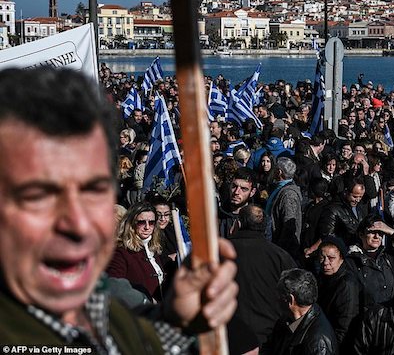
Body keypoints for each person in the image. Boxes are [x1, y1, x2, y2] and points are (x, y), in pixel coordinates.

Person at [0, 67, 237, 350]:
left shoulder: (102, 309)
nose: (78, 222)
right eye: (39, 195)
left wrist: (180, 320)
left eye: (94, 190)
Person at [230, 204, 296, 350]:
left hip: (230, 335)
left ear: (238, 223)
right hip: (267, 337)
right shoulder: (280, 256)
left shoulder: (221, 252)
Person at [347, 215, 394, 304]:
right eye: (372, 232)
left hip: (388, 314)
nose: (377, 236)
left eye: (381, 233)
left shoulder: (388, 257)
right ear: (361, 234)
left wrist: (392, 231)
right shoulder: (352, 260)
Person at [269, 268, 338, 355]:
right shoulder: (286, 321)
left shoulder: (318, 343)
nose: (277, 299)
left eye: (280, 296)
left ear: (290, 300)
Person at [107, 202, 166, 301]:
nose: (147, 227)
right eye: (142, 222)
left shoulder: (153, 249)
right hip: (139, 312)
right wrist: (142, 299)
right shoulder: (120, 252)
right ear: (132, 223)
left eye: (151, 222)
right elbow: (114, 287)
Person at [317, 236, 366, 351]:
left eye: (331, 258)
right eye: (322, 257)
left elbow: (345, 327)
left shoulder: (347, 285)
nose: (325, 262)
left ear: (341, 258)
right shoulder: (323, 277)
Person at [267, 157, 303, 257]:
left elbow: (289, 224)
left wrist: (281, 248)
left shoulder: (289, 194)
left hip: (281, 247)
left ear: (279, 172)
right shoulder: (279, 188)